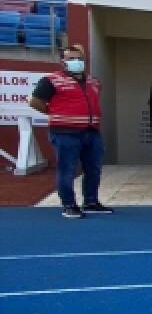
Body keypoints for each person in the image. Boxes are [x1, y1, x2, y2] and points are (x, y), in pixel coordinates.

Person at [27, 45, 113, 218]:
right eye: (72, 59)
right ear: (63, 62)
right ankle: (69, 205)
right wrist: (55, 113)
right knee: (67, 169)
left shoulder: (93, 82)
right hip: (65, 133)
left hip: (91, 132)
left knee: (94, 169)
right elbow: (35, 101)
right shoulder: (51, 80)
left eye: (80, 59)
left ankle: (90, 201)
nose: (77, 62)